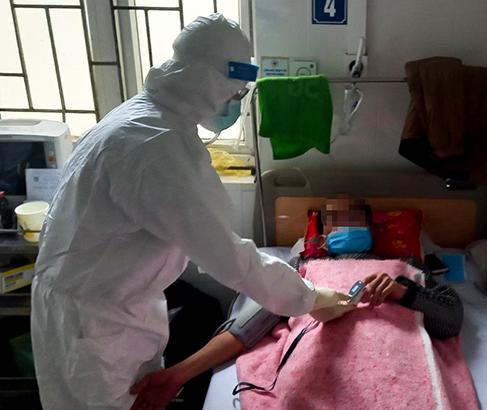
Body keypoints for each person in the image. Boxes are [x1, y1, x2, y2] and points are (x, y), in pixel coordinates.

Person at [30, 14, 352, 410]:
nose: (235, 104)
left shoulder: (141, 117)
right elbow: (229, 257)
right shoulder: (157, 146)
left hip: (96, 308)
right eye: (234, 93)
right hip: (96, 326)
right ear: (207, 80)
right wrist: (311, 297)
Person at [130, 270, 464, 409]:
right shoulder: (304, 271)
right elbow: (246, 328)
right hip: (320, 365)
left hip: (392, 354)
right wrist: (178, 374)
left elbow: (449, 321)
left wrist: (402, 291)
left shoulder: (407, 270)